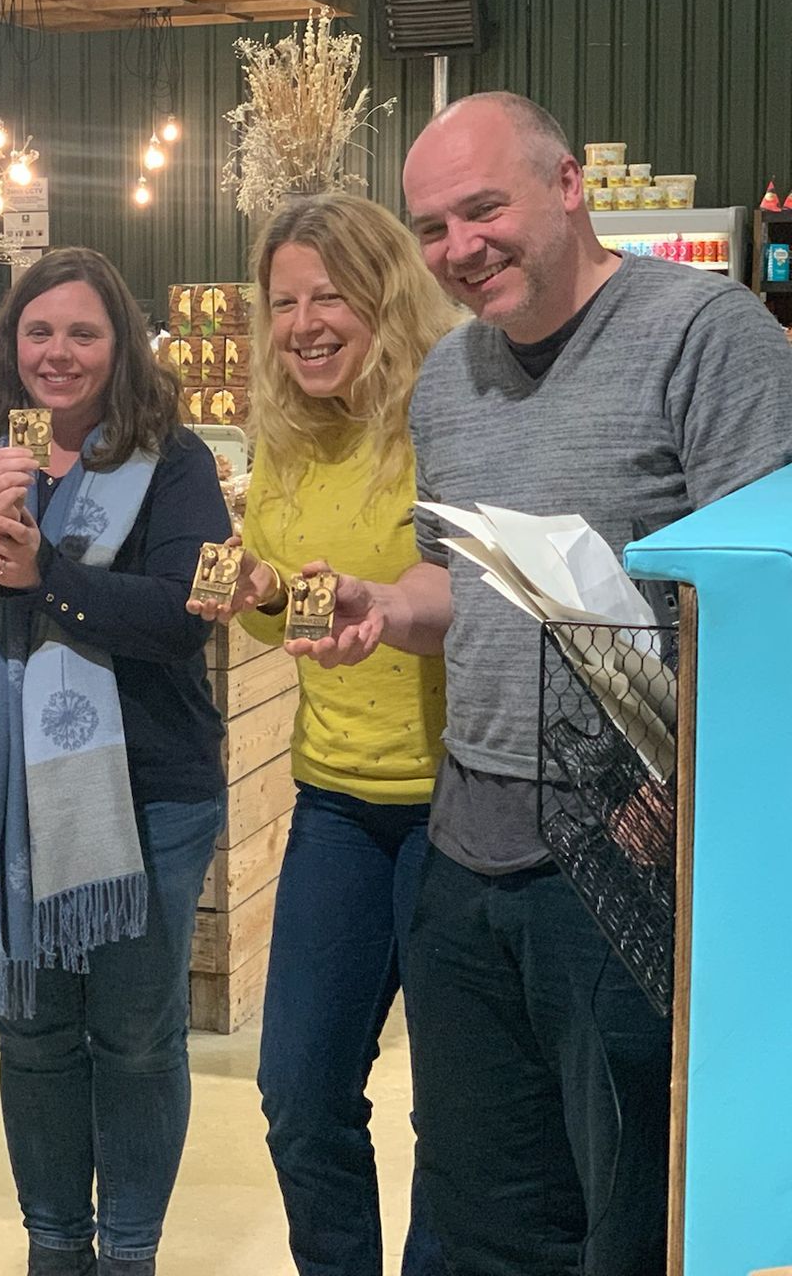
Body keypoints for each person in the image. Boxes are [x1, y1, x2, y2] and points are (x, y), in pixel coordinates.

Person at [304, 93, 792, 1275]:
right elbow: (450, 583)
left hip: (627, 862)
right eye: (432, 228)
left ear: (569, 186)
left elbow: (763, 599)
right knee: (481, 1200)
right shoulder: (448, 379)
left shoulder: (707, 335)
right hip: (466, 853)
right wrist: (385, 609)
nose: (460, 249)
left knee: (624, 1203)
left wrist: (685, 779)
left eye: (485, 209)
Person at [0, 247, 231, 1276]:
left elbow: (185, 616)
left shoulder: (171, 459)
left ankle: (128, 1249)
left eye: (84, 333)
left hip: (152, 791)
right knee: (35, 1036)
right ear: (10, 344)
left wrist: (48, 575)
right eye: (38, 331)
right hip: (13, 797)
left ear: (119, 346)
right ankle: (56, 1244)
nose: (58, 352)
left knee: (136, 1036)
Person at [187, 193, 456, 1276]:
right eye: (284, 301)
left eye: (329, 296)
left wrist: (387, 601)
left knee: (459, 1114)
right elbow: (297, 606)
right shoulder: (288, 435)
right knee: (298, 1094)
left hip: (460, 809)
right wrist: (253, 587)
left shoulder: (445, 418)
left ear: (384, 297)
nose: (303, 323)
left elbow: (476, 588)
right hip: (337, 803)